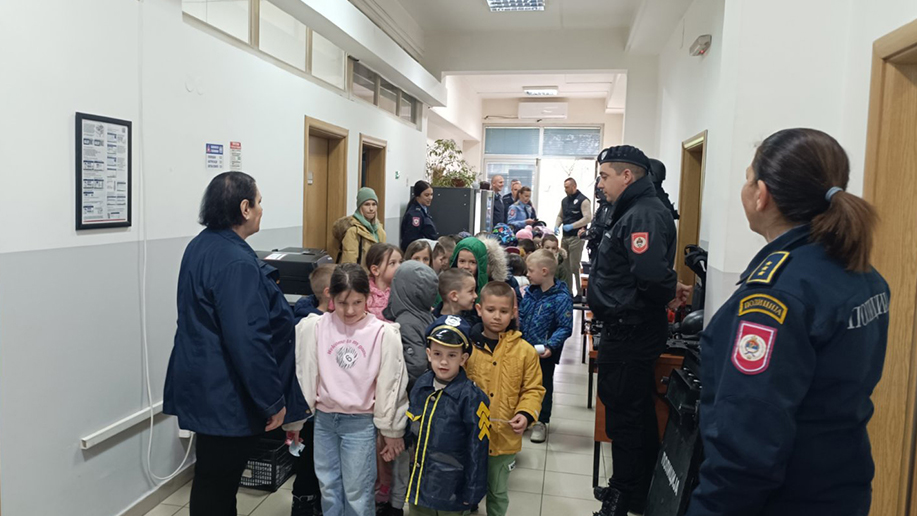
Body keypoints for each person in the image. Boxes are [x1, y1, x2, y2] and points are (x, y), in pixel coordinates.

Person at [685, 129, 890, 516]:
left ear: (761, 195)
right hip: (841, 486)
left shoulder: (774, 299)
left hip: (784, 498)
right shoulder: (859, 272)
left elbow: (747, 445)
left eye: (748, 178)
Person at [163, 172, 293, 516]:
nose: (262, 209)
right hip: (226, 392)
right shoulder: (235, 261)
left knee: (211, 480)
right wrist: (271, 400)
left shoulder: (202, 245)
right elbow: (248, 339)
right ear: (245, 208)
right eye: (259, 202)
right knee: (218, 486)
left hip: (204, 384)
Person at [589, 146, 684, 516]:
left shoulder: (643, 213)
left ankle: (623, 494)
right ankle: (637, 490)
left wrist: (666, 292)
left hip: (631, 329)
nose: (600, 184)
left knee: (625, 416)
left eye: (604, 176)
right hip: (628, 327)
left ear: (626, 176)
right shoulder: (634, 209)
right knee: (634, 411)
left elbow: (650, 277)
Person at [287, 263, 409, 516]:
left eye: (357, 302)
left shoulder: (382, 333)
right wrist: (295, 422)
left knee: (357, 491)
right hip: (324, 420)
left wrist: (392, 430)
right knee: (329, 487)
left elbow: (392, 385)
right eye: (342, 303)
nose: (350, 310)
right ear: (330, 296)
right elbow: (302, 375)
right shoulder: (315, 327)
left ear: (368, 297)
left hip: (360, 423)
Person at [465, 282, 545, 516]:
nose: (497, 316)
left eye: (503, 311)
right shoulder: (467, 348)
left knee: (498, 491)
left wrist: (526, 413)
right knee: (464, 488)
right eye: (491, 310)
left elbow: (533, 389)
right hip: (467, 436)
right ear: (479, 309)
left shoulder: (525, 351)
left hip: (503, 439)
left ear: (513, 313)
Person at [404, 315, 491, 516]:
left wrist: (473, 491)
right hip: (420, 483)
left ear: (463, 358)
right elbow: (412, 425)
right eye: (437, 353)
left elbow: (478, 449)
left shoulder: (472, 397)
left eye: (452, 355)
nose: (443, 361)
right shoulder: (421, 385)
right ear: (428, 354)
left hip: (452, 490)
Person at [382, 260, 439, 516]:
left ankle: (396, 504)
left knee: (404, 459)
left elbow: (415, 364)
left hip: (410, 404)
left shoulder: (408, 319)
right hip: (418, 403)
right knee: (407, 458)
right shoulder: (420, 317)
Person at [290, 264, 334, 516]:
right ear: (329, 293)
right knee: (308, 460)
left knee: (323, 461)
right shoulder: (308, 326)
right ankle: (304, 502)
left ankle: (316, 500)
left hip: (326, 408)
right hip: (310, 408)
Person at [520, 250, 573, 444]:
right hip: (523, 349)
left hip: (544, 353)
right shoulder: (529, 293)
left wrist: (551, 345)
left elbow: (565, 327)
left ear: (544, 271)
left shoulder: (561, 298)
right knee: (521, 383)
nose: (527, 274)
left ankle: (541, 421)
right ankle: (523, 415)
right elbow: (522, 316)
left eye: (530, 270)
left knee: (543, 386)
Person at [555, 178, 592, 300]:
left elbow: (588, 218)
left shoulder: (583, 200)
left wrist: (573, 225)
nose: (565, 189)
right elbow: (560, 215)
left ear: (574, 186)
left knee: (574, 266)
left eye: (567, 187)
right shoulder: (564, 201)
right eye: (564, 187)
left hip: (577, 237)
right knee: (565, 266)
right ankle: (569, 291)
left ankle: (580, 292)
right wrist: (557, 225)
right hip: (565, 237)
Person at [334, 187, 387, 267]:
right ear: (360, 207)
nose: (371, 208)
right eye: (367, 204)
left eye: (374, 204)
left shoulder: (379, 230)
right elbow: (349, 263)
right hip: (361, 274)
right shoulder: (353, 231)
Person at [365, 243, 403, 322]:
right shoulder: (365, 294)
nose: (399, 267)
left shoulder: (402, 292)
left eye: (400, 262)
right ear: (375, 270)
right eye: (392, 263)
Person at [401, 180, 439, 250]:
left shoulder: (424, 209)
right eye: (426, 195)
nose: (430, 198)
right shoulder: (415, 215)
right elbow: (411, 240)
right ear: (418, 196)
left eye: (431, 194)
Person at [581, 183, 613, 262]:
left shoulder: (607, 208)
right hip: (598, 250)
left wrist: (584, 233)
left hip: (602, 250)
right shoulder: (602, 207)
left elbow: (599, 230)